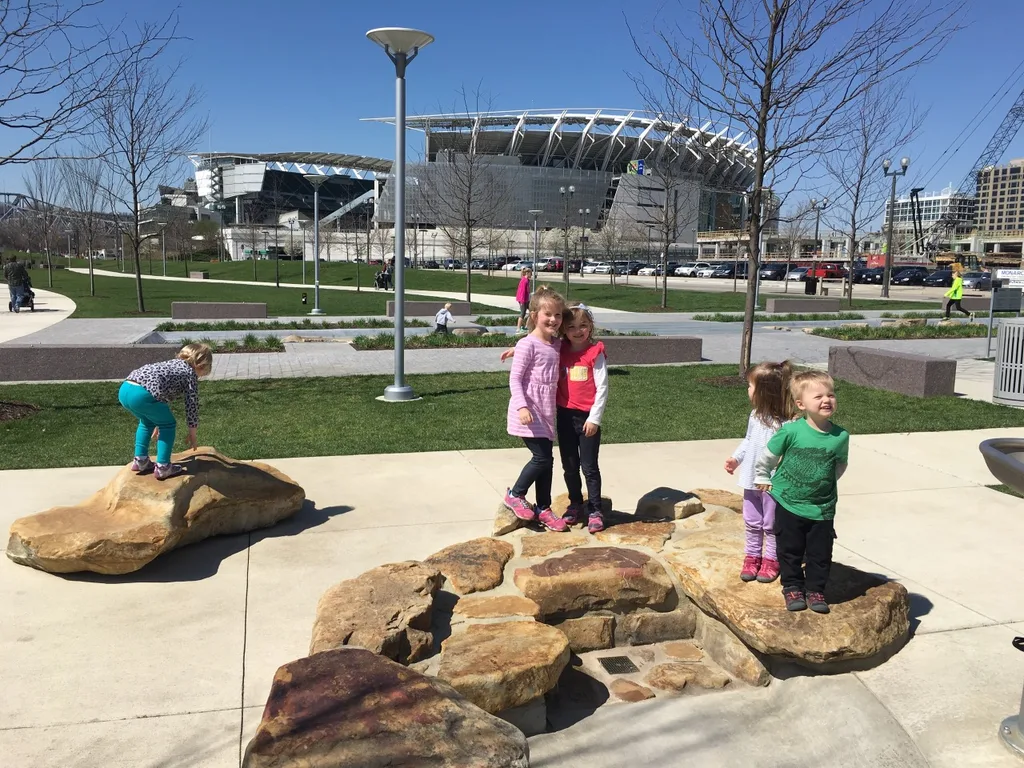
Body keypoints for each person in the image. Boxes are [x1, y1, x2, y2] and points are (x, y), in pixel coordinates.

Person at [754, 371, 849, 614]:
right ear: (801, 404)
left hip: (822, 507)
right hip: (789, 503)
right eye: (818, 396)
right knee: (790, 549)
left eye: (831, 394)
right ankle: (793, 587)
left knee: (820, 552)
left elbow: (839, 465)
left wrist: (821, 484)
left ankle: (816, 590)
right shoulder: (791, 431)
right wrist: (762, 476)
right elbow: (768, 455)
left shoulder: (840, 436)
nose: (826, 400)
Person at [503, 285, 569, 532]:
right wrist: (521, 406)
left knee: (547, 460)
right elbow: (515, 379)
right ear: (534, 316)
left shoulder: (556, 344)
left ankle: (543, 508)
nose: (553, 320)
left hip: (546, 409)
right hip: (528, 411)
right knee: (541, 457)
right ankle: (516, 494)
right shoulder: (528, 344)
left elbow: (573, 345)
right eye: (548, 315)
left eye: (558, 315)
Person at [724, 361, 795, 584]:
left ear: (765, 393)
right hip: (751, 479)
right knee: (752, 520)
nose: (748, 389)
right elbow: (748, 441)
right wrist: (736, 459)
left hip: (773, 483)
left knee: (772, 523)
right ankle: (753, 556)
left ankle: (772, 559)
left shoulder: (786, 425)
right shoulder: (755, 417)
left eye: (751, 386)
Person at [118, 343, 214, 481]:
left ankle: (141, 461)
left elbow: (160, 389)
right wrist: (192, 431)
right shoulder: (189, 373)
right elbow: (191, 403)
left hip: (125, 389)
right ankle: (163, 467)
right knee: (168, 425)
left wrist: (157, 422)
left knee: (146, 422)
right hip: (142, 394)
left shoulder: (172, 364)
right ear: (201, 366)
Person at [556, 303, 609, 533]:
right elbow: (537, 348)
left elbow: (603, 387)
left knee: (589, 467)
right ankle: (575, 503)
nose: (578, 331)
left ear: (591, 327)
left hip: (587, 419)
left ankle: (595, 509)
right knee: (569, 466)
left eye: (583, 326)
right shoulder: (560, 349)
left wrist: (594, 419)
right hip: (564, 417)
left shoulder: (594, 352)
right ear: (564, 330)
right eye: (572, 327)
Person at [515, 268, 532, 334]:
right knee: (522, 313)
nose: (531, 274)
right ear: (527, 273)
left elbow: (527, 291)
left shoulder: (527, 280)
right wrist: (522, 301)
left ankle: (526, 326)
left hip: (526, 299)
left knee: (532, 312)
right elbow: (521, 291)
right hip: (523, 300)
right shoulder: (524, 281)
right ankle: (518, 329)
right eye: (531, 273)